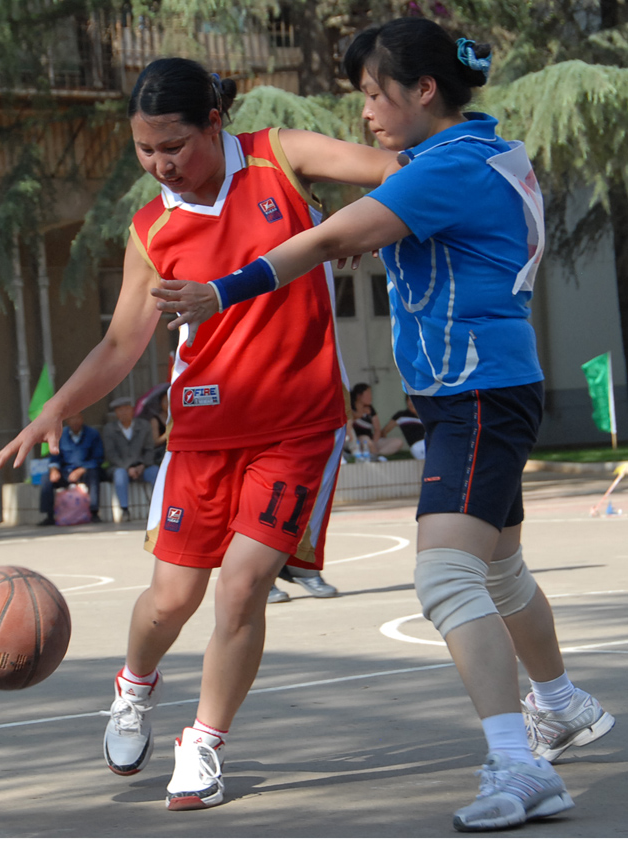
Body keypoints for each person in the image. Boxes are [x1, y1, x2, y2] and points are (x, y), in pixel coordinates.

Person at [152, 20, 615, 831]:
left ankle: (518, 764)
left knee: (445, 578)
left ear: (422, 90)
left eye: (373, 93)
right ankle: (560, 702)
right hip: (484, 388)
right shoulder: (482, 153)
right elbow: (419, 234)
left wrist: (217, 292)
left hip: (475, 394)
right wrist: (382, 236)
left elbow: (327, 236)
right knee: (499, 571)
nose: (364, 111)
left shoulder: (446, 167)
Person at [0, 56, 399, 810]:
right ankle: (133, 686)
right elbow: (121, 344)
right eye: (144, 150)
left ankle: (204, 741)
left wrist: (359, 226)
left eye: (172, 146)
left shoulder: (281, 157)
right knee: (170, 600)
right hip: (203, 433)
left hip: (298, 426)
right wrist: (57, 408)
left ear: (214, 123)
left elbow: (398, 169)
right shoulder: (152, 227)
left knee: (242, 588)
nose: (160, 164)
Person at [38, 412, 104, 525]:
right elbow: (54, 457)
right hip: (66, 472)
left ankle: (94, 512)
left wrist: (82, 469)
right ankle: (49, 515)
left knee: (94, 475)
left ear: (82, 419)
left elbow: (98, 458)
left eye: (77, 418)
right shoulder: (60, 435)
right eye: (72, 419)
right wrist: (54, 470)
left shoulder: (93, 434)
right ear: (67, 421)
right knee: (46, 478)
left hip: (85, 470)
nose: (75, 421)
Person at [103, 396, 160, 521]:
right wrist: (128, 467)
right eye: (120, 410)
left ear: (132, 410)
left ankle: (158, 508)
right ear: (115, 413)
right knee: (120, 474)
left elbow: (149, 449)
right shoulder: (109, 429)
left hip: (142, 465)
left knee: (155, 472)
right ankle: (124, 510)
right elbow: (111, 454)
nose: (124, 413)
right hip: (120, 466)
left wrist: (143, 465)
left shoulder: (144, 425)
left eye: (126, 409)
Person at [347, 382, 404, 458]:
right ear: (359, 395)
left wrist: (375, 442)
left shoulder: (370, 409)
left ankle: (378, 454)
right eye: (368, 394)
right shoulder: (350, 407)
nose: (370, 397)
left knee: (398, 442)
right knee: (367, 440)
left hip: (371, 440)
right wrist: (361, 414)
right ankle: (373, 455)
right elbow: (349, 424)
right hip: (358, 440)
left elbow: (377, 429)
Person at [382, 395, 426, 460]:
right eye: (409, 400)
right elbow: (385, 431)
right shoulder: (401, 415)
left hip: (429, 443)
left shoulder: (425, 415)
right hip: (417, 446)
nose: (412, 402)